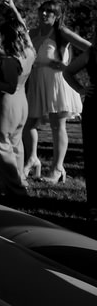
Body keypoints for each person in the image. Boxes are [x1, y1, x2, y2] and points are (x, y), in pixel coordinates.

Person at [8, 0, 89, 183]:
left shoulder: (61, 32)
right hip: (37, 81)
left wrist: (70, 66)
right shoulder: (34, 32)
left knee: (56, 125)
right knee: (28, 125)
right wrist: (13, 8)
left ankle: (57, 168)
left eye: (50, 12)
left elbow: (90, 49)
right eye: (42, 10)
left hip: (58, 82)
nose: (44, 14)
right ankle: (33, 159)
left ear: (57, 15)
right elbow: (21, 26)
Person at [0, 16, 36, 196]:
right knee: (15, 143)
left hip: (7, 104)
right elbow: (26, 33)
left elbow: (10, 87)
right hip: (22, 104)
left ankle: (15, 189)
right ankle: (18, 180)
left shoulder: (11, 60)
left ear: (8, 37)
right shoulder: (30, 52)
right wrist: (13, 11)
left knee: (1, 145)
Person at [60, 28, 97, 215]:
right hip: (94, 107)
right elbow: (67, 72)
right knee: (93, 154)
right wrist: (81, 90)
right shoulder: (92, 53)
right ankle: (94, 203)